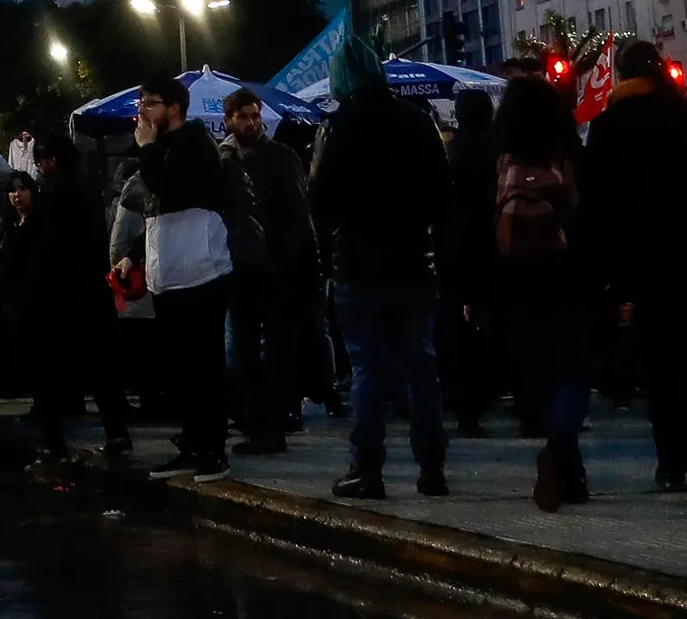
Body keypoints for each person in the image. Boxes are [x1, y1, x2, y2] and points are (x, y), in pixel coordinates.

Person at [580, 39, 687, 503]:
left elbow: (597, 204)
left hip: (639, 268)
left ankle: (669, 462)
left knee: (657, 366)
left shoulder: (608, 128)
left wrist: (608, 272)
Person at [308, 52, 448, 499]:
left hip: (358, 265)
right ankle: (432, 469)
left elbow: (319, 198)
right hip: (412, 262)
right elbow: (442, 193)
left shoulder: (338, 127)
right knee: (421, 368)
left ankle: (367, 469)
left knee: (368, 369)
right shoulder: (417, 121)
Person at [117, 78, 242, 482]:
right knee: (179, 368)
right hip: (167, 271)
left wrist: (149, 149)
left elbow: (170, 188)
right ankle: (191, 443)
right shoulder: (160, 148)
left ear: (173, 108)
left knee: (203, 364)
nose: (142, 111)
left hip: (200, 269)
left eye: (149, 103)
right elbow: (154, 210)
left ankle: (212, 449)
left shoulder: (194, 144)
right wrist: (132, 254)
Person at [486, 74, 593, 510]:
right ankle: (559, 453)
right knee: (576, 369)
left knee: (541, 371)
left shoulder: (497, 152)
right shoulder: (566, 150)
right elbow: (585, 209)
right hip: (564, 270)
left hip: (514, 276)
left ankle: (567, 469)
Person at [7, 131, 127, 459]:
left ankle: (54, 441)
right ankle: (117, 433)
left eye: (41, 162)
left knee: (49, 370)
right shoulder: (84, 189)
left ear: (51, 161)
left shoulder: (57, 196)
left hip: (64, 295)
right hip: (91, 291)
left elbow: (51, 248)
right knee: (101, 369)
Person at [220, 87, 314, 457]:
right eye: (244, 116)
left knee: (275, 349)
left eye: (255, 115)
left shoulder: (279, 157)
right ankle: (255, 422)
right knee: (243, 350)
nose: (252, 122)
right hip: (240, 267)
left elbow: (298, 214)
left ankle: (272, 424)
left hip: (274, 267)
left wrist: (296, 262)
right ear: (230, 120)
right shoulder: (225, 160)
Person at [438, 87, 502, 437]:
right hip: (494, 243)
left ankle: (466, 405)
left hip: (456, 248)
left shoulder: (449, 153)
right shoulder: (496, 151)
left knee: (460, 330)